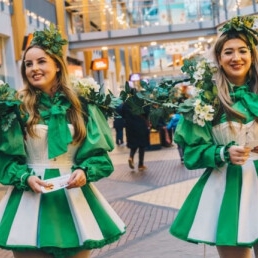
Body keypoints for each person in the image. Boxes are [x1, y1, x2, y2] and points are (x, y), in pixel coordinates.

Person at [0, 25, 125, 258]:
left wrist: (85, 172)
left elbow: (98, 156)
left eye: (41, 61)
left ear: (57, 65)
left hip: (74, 198)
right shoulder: (15, 107)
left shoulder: (82, 105)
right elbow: (5, 158)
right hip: (29, 198)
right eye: (28, 64)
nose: (34, 69)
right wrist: (24, 177)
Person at [169, 15, 258, 258]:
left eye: (242, 51)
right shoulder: (206, 101)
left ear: (252, 55)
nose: (236, 58)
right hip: (227, 188)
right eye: (228, 52)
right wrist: (223, 152)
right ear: (219, 58)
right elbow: (192, 153)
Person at [121, 93, 150, 171]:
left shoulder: (126, 103)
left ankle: (131, 157)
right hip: (141, 126)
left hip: (130, 127)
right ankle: (140, 165)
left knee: (133, 144)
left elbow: (122, 114)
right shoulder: (141, 102)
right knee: (141, 146)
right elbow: (147, 112)